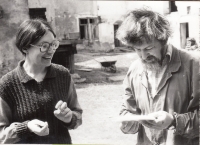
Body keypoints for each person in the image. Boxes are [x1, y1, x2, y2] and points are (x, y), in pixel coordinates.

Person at [116, 9, 199, 145]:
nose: (143, 56)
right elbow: (127, 110)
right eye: (137, 49)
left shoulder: (194, 66)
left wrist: (174, 121)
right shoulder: (134, 69)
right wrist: (127, 123)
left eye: (148, 48)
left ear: (164, 41)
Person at [0, 19, 83, 144]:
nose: (51, 51)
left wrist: (69, 117)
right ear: (25, 48)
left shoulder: (63, 75)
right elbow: (1, 135)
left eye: (53, 44)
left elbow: (77, 115)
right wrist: (26, 127)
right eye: (44, 46)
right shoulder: (7, 84)